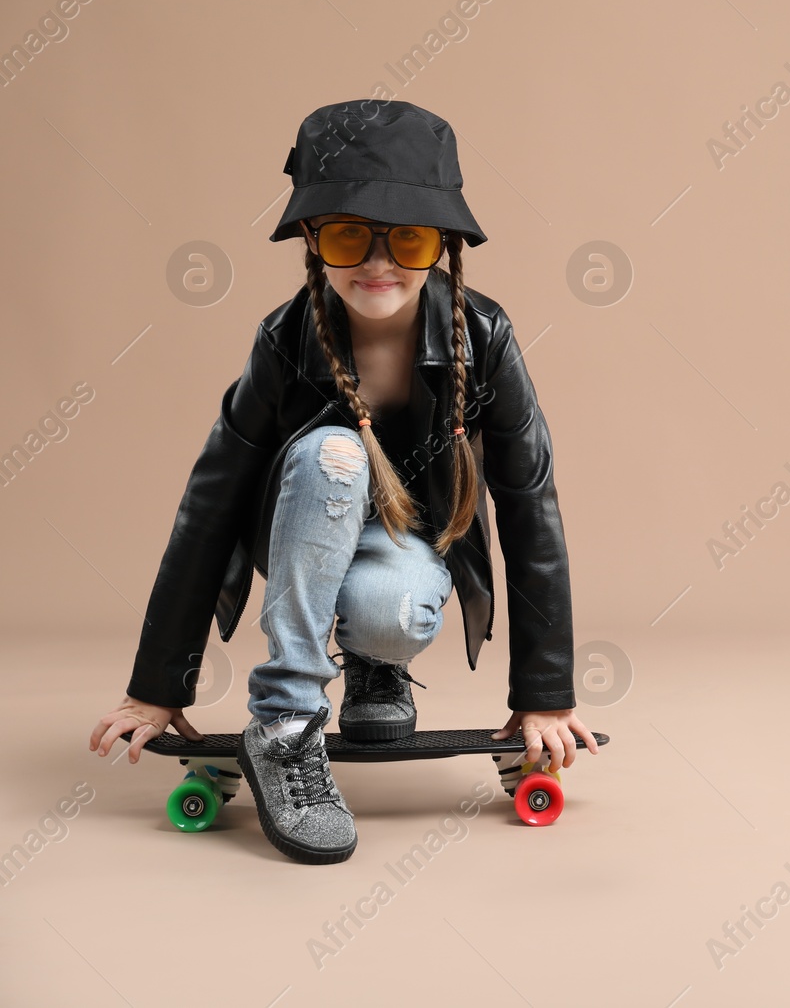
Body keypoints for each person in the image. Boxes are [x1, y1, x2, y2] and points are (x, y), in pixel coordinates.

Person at [87, 99, 598, 864]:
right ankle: (286, 722)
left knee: (390, 608)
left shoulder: (484, 340)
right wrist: (158, 684)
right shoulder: (285, 338)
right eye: (348, 234)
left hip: (404, 548)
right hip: (298, 533)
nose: (377, 262)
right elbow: (213, 498)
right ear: (311, 241)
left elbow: (530, 503)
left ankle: (375, 666)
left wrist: (544, 691)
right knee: (336, 452)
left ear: (445, 247)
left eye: (411, 238)